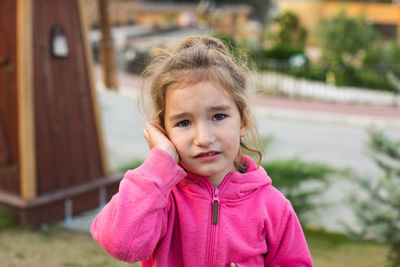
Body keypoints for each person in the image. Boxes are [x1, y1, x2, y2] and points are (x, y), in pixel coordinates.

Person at [91, 36, 313, 267]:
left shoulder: (274, 208)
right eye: (184, 123)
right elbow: (120, 244)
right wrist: (161, 161)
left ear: (243, 121)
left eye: (218, 116)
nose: (204, 138)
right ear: (163, 131)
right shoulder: (160, 200)